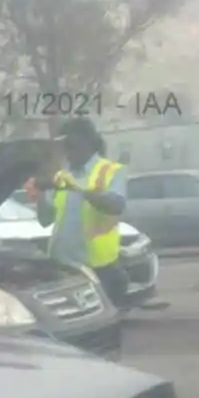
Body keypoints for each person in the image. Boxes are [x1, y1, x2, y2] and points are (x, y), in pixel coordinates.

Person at [36, 118, 131, 305]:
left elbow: (116, 206)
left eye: (72, 146)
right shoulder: (61, 176)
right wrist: (39, 192)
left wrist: (78, 188)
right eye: (64, 148)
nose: (68, 153)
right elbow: (45, 220)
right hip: (62, 267)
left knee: (103, 327)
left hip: (100, 270)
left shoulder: (111, 170)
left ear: (88, 143)